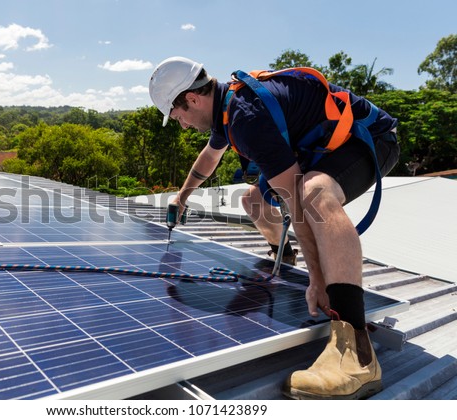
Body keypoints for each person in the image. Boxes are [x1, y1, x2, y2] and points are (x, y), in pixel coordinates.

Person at [148, 56, 400, 400]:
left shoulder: (245, 117)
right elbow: (209, 158)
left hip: (369, 140)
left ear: (192, 99)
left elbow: (295, 200)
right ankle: (283, 254)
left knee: (314, 194)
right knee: (253, 201)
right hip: (320, 150)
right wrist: (181, 197)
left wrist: (319, 280)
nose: (183, 126)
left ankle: (356, 353)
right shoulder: (225, 110)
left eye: (179, 117)